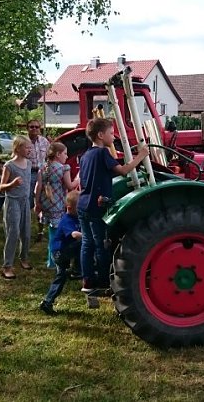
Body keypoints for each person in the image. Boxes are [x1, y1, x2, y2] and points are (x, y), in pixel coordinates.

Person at [78, 118, 150, 294]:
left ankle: (87, 281)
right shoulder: (103, 153)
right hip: (97, 205)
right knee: (102, 243)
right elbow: (124, 171)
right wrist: (141, 155)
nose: (113, 135)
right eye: (111, 133)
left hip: (83, 203)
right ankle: (104, 282)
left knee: (87, 244)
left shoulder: (86, 155)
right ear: (101, 135)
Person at [34, 142, 80, 269]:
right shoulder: (63, 168)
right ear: (58, 154)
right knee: (56, 234)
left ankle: (50, 259)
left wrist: (37, 202)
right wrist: (79, 177)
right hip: (58, 204)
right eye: (65, 153)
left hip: (46, 203)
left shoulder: (43, 167)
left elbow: (38, 187)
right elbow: (70, 186)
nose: (67, 156)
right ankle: (54, 261)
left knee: (50, 231)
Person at [39, 190, 83, 315]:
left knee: (61, 277)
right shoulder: (66, 219)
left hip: (64, 251)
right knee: (83, 243)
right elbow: (74, 235)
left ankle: (47, 302)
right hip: (59, 253)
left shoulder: (76, 217)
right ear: (69, 208)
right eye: (78, 208)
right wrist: (88, 237)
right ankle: (76, 270)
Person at [0, 136, 33, 279]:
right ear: (18, 148)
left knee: (26, 233)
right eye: (27, 147)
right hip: (13, 202)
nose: (29, 150)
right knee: (13, 233)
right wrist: (12, 184)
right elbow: (1, 187)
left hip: (25, 201)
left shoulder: (29, 164)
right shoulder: (9, 165)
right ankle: (7, 266)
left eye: (30, 147)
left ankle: (23, 259)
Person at [26, 120, 50, 243]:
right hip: (28, 173)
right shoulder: (23, 142)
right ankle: (26, 230)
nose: (34, 129)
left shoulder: (44, 141)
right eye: (32, 127)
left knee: (42, 200)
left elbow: (49, 156)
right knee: (28, 201)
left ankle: (40, 231)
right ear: (27, 128)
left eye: (37, 127)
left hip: (42, 173)